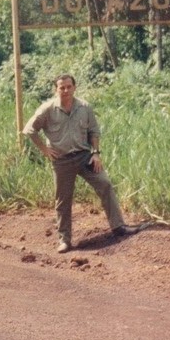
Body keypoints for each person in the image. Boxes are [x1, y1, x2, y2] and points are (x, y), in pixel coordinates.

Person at [23, 74, 143, 254]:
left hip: (84, 157)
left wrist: (96, 154)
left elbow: (94, 131)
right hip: (62, 161)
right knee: (63, 200)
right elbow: (29, 130)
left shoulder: (84, 107)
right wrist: (44, 150)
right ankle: (65, 240)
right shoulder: (47, 109)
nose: (65, 90)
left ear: (74, 87)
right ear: (56, 89)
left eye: (69, 87)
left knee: (105, 184)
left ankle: (119, 227)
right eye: (61, 87)